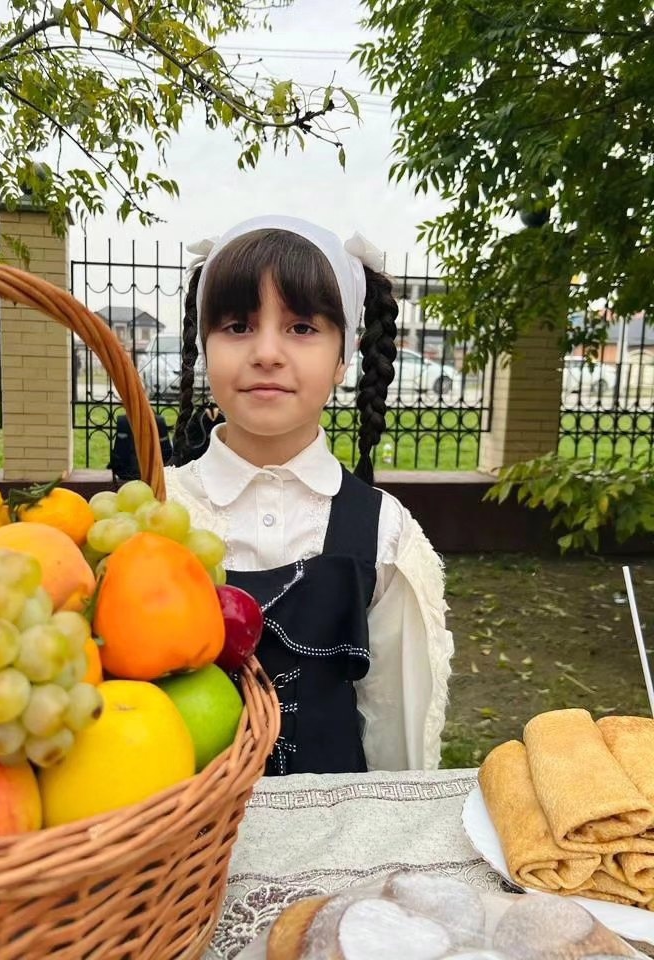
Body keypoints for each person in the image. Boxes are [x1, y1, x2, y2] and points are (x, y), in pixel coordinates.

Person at [165, 215, 453, 776]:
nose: (267, 352)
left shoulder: (384, 531)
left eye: (301, 328)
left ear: (344, 356)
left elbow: (396, 730)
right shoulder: (159, 511)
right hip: (187, 828)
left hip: (339, 827)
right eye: (237, 326)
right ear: (204, 347)